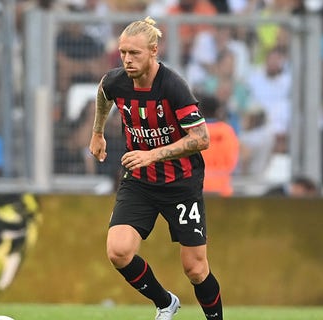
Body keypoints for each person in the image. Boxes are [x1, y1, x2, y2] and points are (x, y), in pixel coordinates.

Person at [89, 17, 223, 320]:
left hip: (181, 183)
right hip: (139, 181)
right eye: (123, 52)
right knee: (118, 251)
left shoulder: (174, 87)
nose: (127, 60)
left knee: (195, 268)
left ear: (153, 51)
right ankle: (165, 303)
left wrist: (153, 155)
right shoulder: (117, 80)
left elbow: (201, 139)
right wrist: (97, 132)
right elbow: (102, 91)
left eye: (134, 53)